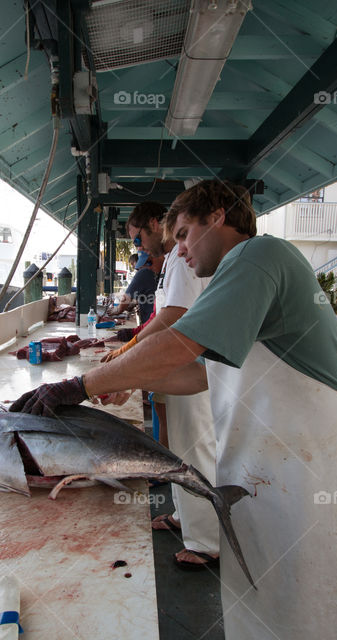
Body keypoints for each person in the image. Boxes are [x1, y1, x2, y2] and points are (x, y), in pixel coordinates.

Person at [10, 181, 337, 638]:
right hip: (270, 467)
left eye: (183, 233)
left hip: (312, 468)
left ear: (218, 216)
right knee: (264, 602)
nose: (178, 250)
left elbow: (180, 344)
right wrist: (130, 381)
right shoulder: (233, 278)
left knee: (310, 608)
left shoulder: (258, 255)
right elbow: (200, 374)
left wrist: (80, 385)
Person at [107, 201, 223, 569]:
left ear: (155, 224)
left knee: (195, 448)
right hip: (178, 363)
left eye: (139, 238)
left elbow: (175, 316)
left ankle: (207, 541)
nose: (139, 248)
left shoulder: (178, 261)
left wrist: (130, 353)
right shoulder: (173, 262)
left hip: (192, 365)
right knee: (178, 447)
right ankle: (182, 516)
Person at [110, 254, 162, 325]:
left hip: (151, 320)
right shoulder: (153, 273)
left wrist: (116, 310)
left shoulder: (144, 272)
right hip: (154, 318)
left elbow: (126, 298)